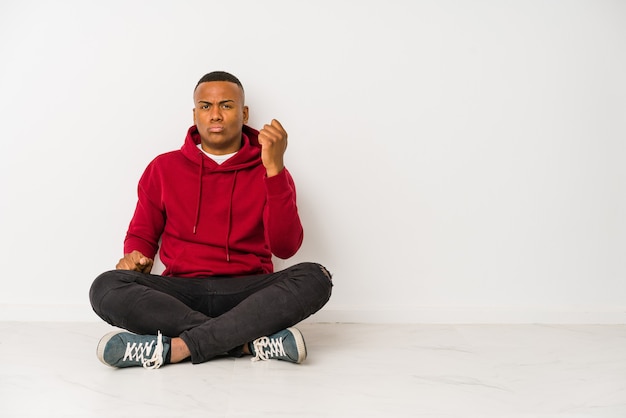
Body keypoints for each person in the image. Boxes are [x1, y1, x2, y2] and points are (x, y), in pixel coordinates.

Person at [89, 71, 333, 369]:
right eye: (206, 106)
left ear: (244, 114)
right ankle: (246, 342)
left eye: (226, 105)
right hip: (181, 294)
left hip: (248, 292)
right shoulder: (163, 168)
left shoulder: (270, 168)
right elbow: (142, 234)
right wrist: (135, 257)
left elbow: (285, 248)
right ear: (195, 114)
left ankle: (176, 348)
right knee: (106, 287)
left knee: (316, 277)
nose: (215, 115)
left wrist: (275, 171)